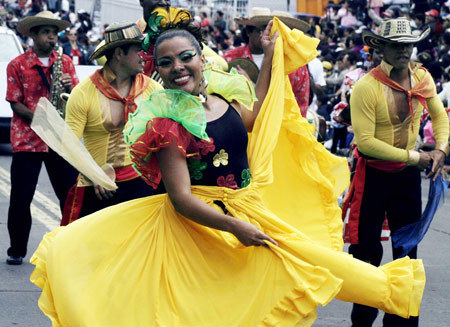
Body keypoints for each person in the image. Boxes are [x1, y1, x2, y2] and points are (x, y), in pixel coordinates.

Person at [30, 10, 425, 326]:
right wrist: (236, 227)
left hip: (247, 207)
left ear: (202, 58)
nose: (178, 67)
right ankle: (394, 294)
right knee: (221, 304)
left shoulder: (221, 94)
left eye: (186, 57)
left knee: (309, 265)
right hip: (204, 227)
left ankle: (397, 295)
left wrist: (270, 56)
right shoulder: (166, 123)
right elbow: (181, 198)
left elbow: (254, 116)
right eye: (166, 63)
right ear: (158, 71)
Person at [347, 18, 450, 326]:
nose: (404, 51)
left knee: (407, 253)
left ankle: (403, 322)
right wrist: (419, 156)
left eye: (407, 45)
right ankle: (362, 320)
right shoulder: (366, 86)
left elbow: (439, 116)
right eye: (396, 45)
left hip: (405, 178)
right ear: (382, 47)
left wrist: (441, 150)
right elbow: (365, 143)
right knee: (366, 254)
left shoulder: (422, 78)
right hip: (373, 176)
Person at [61, 22, 163, 225]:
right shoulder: (83, 93)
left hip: (140, 185)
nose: (144, 56)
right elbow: (68, 145)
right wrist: (94, 172)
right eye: (138, 51)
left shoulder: (153, 89)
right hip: (96, 187)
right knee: (92, 252)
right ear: (118, 53)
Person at [5, 11, 79, 265]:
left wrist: (70, 88)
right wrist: (42, 119)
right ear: (34, 35)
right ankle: (16, 249)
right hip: (28, 139)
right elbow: (15, 103)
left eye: (54, 33)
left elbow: (76, 99)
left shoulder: (66, 63)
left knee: (69, 195)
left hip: (58, 139)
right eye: (46, 32)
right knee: (21, 197)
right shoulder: (17, 64)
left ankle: (71, 246)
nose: (52, 37)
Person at [224, 8, 312, 117]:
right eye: (261, 31)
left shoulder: (297, 67)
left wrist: (250, 85)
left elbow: (299, 107)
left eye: (276, 32)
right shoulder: (230, 58)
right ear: (248, 32)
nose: (268, 35)